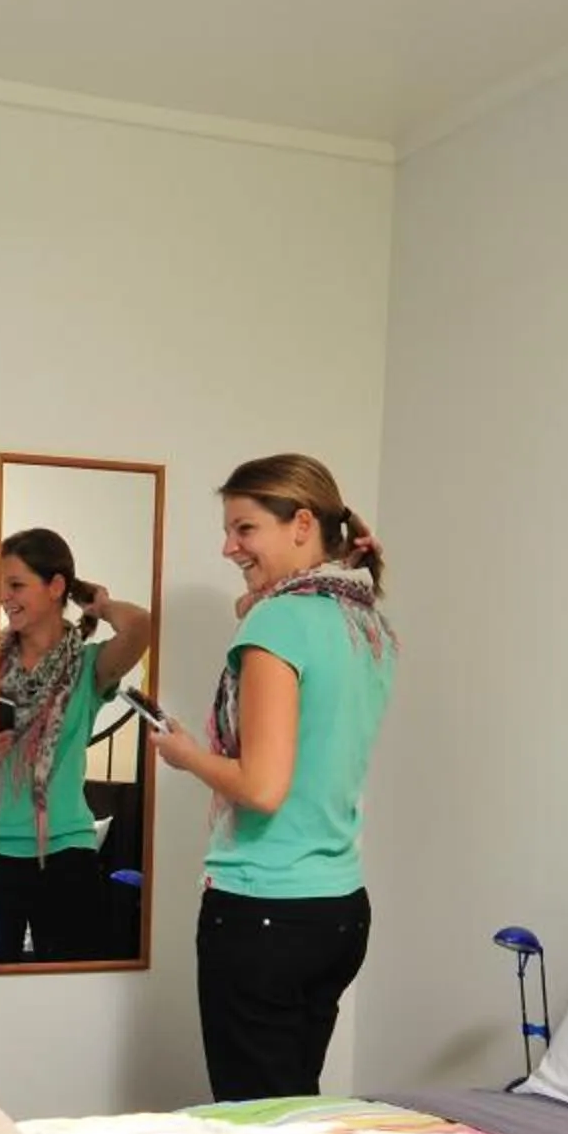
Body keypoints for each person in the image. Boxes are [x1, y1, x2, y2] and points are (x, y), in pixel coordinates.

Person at [151, 455, 396, 1099]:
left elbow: (261, 787)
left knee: (254, 1125)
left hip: (264, 912)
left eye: (244, 529)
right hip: (337, 912)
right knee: (292, 1110)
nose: (228, 546)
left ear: (302, 523)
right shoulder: (362, 617)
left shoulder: (279, 622)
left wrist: (185, 754)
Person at [0, 528, 155, 965]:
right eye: (0, 585)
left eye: (16, 584)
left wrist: (97, 604)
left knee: (73, 990)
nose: (4, 597)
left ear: (56, 586)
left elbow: (140, 626)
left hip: (65, 851)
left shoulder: (88, 667)